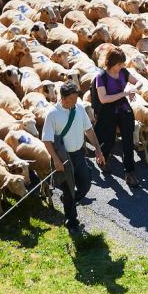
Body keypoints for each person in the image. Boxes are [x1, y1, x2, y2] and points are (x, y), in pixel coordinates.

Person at [42, 81, 105, 235]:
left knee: (85, 184)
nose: (76, 102)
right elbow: (47, 139)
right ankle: (72, 223)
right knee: (69, 189)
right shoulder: (52, 114)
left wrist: (97, 149)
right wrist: (56, 160)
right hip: (64, 157)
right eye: (73, 99)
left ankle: (69, 202)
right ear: (64, 98)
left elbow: (89, 130)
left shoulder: (79, 108)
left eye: (77, 98)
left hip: (78, 154)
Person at [92, 46, 139, 187]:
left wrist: (133, 89)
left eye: (122, 64)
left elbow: (138, 82)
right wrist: (124, 93)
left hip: (123, 109)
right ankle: (103, 157)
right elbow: (103, 99)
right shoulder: (101, 77)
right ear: (112, 62)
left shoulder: (123, 72)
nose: (121, 66)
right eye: (119, 64)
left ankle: (130, 172)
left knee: (128, 140)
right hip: (108, 111)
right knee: (109, 139)